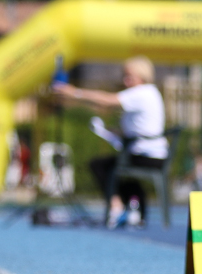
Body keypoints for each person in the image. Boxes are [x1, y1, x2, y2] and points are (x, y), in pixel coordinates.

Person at [52, 55, 168, 227]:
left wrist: (75, 93)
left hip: (147, 155)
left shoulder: (142, 92)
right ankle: (135, 211)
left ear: (142, 76)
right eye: (124, 76)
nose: (125, 80)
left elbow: (107, 101)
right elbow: (136, 128)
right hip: (149, 153)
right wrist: (108, 131)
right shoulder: (148, 93)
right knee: (120, 174)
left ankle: (116, 207)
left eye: (129, 76)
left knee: (100, 166)